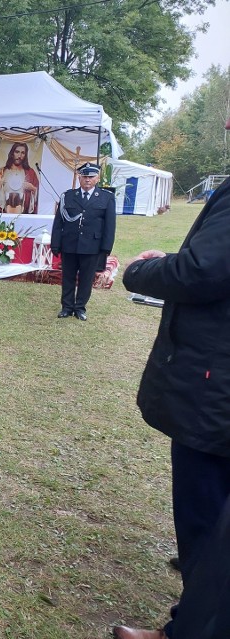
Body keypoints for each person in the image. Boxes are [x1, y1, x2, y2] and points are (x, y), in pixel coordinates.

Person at [113, 177, 230, 639]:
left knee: (207, 523)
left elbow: (203, 270)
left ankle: (186, 630)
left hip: (215, 389)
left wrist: (146, 271)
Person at [50, 162, 116, 321]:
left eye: (91, 177)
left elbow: (110, 225)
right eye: (84, 176)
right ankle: (66, 307)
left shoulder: (106, 198)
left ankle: (80, 308)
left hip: (92, 246)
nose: (87, 180)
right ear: (79, 178)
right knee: (68, 277)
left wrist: (106, 248)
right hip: (69, 244)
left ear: (97, 178)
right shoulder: (68, 196)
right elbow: (59, 223)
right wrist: (55, 244)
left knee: (86, 279)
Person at [0, 142, 39, 214]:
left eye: (23, 153)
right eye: (17, 152)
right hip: (4, 213)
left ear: (25, 155)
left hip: (24, 213)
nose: (19, 156)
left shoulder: (30, 173)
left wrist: (33, 189)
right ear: (12, 153)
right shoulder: (2, 171)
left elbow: (38, 193)